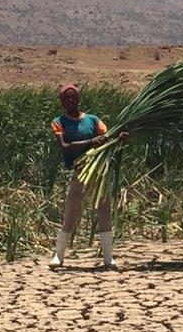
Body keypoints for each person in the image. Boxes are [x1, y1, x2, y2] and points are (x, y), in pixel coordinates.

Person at [49, 83, 128, 269]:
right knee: (72, 211)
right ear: (61, 101)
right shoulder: (59, 122)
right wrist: (90, 141)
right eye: (66, 98)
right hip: (80, 171)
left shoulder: (93, 120)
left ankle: (108, 258)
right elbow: (65, 146)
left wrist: (120, 138)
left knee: (104, 211)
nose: (70, 100)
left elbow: (106, 138)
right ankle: (58, 256)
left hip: (98, 171)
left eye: (73, 97)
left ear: (78, 99)